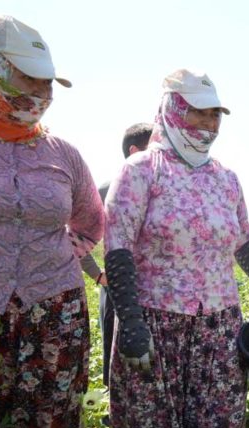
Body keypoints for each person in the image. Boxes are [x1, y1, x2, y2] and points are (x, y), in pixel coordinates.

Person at [103, 68, 249, 428]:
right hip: (155, 326)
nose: (208, 123)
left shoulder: (226, 179)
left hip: (218, 328)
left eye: (214, 114)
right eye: (198, 112)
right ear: (173, 109)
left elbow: (243, 240)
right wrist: (132, 322)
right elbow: (118, 244)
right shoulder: (141, 171)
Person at [0, 15, 104, 428]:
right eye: (28, 78)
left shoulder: (62, 153)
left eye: (47, 83)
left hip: (51, 314)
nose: (40, 93)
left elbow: (91, 222)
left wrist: (50, 257)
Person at [78, 122, 152, 391]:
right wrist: (97, 274)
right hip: (116, 290)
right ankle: (114, 413)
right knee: (116, 348)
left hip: (151, 292)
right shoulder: (110, 189)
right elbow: (76, 236)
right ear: (134, 151)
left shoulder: (166, 187)